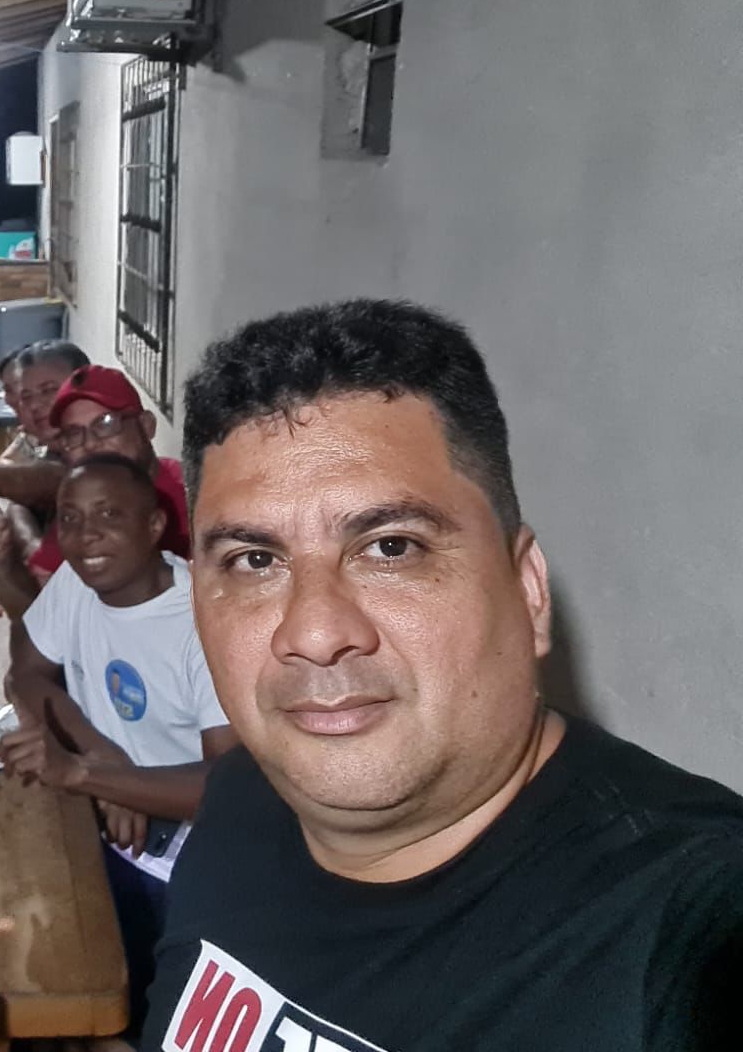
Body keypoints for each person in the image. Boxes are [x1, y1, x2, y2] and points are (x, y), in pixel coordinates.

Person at [142, 299, 743, 1052]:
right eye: (254, 560)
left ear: (528, 590)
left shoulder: (681, 920)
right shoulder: (242, 798)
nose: (315, 634)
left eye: (391, 547)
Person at [0, 456, 236, 1035]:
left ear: (154, 526)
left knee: (144, 1016)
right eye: (71, 518)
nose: (86, 536)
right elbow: (24, 673)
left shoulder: (206, 623)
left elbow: (230, 792)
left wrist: (90, 774)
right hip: (95, 828)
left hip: (183, 867)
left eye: (109, 515)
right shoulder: (79, 581)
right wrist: (103, 759)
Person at [0, 363, 191, 620]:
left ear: (147, 425)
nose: (90, 444)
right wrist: (1, 558)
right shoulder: (83, 505)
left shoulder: (194, 500)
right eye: (74, 433)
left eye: (105, 423)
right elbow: (42, 617)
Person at [0, 339, 91, 466]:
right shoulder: (39, 455)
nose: (34, 405)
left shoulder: (111, 448)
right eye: (26, 397)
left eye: (48, 390)